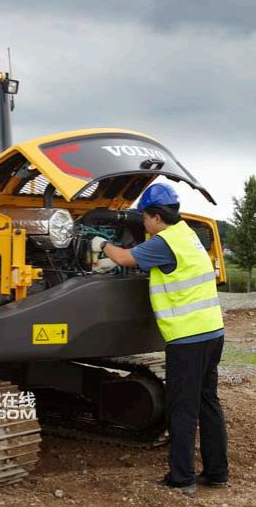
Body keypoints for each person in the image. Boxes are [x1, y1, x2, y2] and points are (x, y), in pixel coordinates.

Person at [91, 182, 228, 496]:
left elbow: (126, 258)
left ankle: (182, 478)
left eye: (145, 218)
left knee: (182, 408)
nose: (143, 224)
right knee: (208, 402)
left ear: (155, 216)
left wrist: (102, 245)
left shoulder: (164, 241)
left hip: (188, 338)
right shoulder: (187, 235)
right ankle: (217, 473)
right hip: (212, 332)